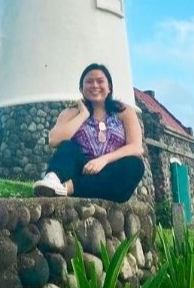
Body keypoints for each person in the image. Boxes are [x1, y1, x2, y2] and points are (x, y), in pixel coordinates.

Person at [34, 63, 144, 201]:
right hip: (81, 170)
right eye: (89, 82)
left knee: (135, 165)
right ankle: (52, 181)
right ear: (81, 88)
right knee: (69, 147)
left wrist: (103, 160)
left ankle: (69, 188)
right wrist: (83, 115)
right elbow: (54, 140)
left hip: (110, 173)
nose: (95, 85)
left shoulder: (124, 111)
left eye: (100, 81)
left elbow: (136, 147)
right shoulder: (71, 113)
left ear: (109, 87)